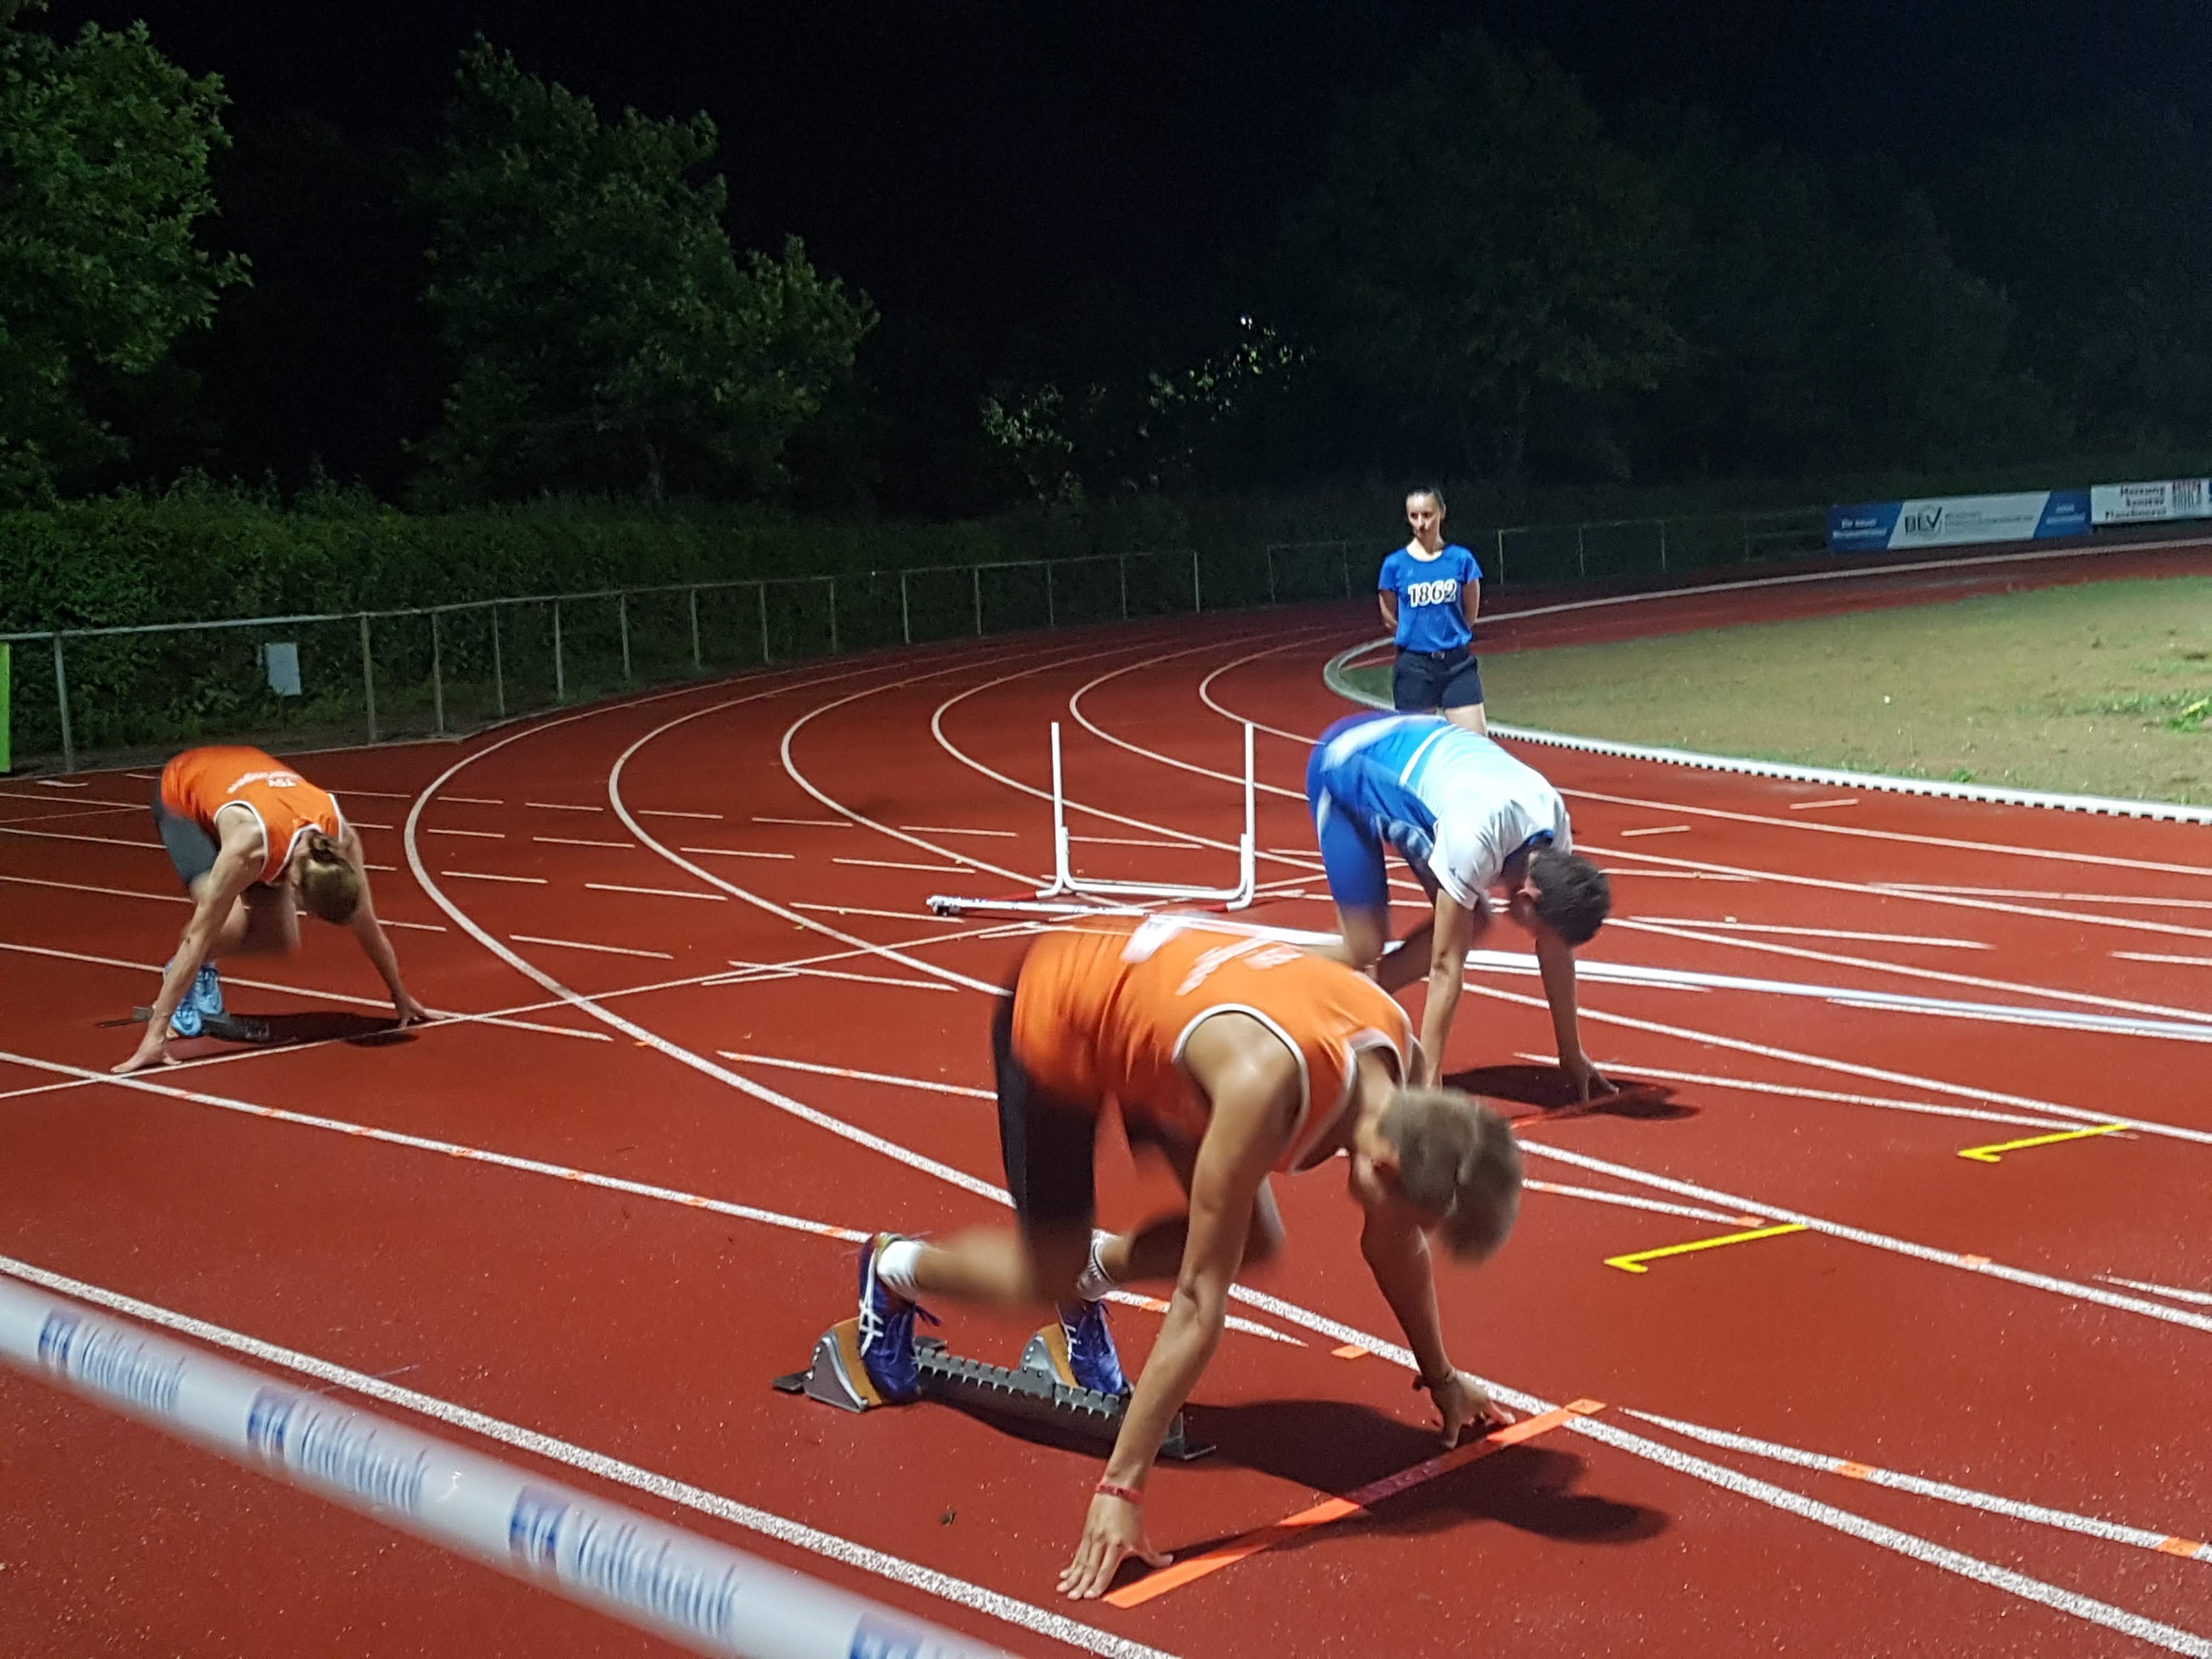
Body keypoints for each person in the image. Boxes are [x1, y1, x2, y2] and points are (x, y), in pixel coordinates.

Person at [850, 912, 1523, 1599]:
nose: (1404, 1230)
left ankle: (1088, 1277)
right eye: (1411, 1217)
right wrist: (1121, 1488)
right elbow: (1200, 1301)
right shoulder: (1264, 1089)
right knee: (1048, 1273)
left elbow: (1392, 1243)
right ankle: (893, 1270)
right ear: (1384, 1165)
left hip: (1170, 1014)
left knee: (1251, 1239)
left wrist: (1441, 1376)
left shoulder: (1405, 1074)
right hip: (1061, 1008)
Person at [1306, 711, 1613, 1101]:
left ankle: (1354, 998)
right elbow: (1445, 967)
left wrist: (1570, 1052)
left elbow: (1556, 949)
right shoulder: (1474, 839)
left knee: (1474, 921)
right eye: (1536, 929)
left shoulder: (1554, 824)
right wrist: (1430, 1087)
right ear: (1527, 898)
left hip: (1417, 750)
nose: (1533, 937)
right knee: (1364, 944)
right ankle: (1270, 968)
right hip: (1345, 765)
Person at [116, 744, 428, 1074]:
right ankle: (184, 978)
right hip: (183, 793)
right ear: (294, 887)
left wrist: (400, 995)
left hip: (245, 782)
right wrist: (154, 1038)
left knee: (278, 937)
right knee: (226, 922)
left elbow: (368, 925)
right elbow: (198, 936)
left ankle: (195, 971)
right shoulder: (247, 850)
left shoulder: (341, 841)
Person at [1378, 487, 1486, 732]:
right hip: (1415, 667)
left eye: (1427, 515)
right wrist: (1416, 638)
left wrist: (1450, 636)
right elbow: (1389, 617)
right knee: (1418, 746)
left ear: (1442, 513)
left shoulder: (1461, 560)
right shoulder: (1394, 565)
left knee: (1475, 744)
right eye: (1414, 516)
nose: (1421, 524)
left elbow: (1470, 613)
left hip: (1457, 665)